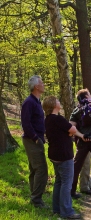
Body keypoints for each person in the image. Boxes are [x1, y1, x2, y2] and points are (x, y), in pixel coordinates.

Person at [42, 96, 88, 219]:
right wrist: (72, 132)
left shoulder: (48, 120)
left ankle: (56, 209)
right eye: (57, 101)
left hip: (54, 155)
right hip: (63, 156)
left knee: (58, 182)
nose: (59, 102)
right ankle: (67, 211)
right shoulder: (58, 119)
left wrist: (70, 132)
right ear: (53, 105)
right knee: (66, 184)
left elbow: (68, 131)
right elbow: (72, 129)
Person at [21, 75, 48, 208]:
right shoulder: (29, 102)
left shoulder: (37, 101)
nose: (44, 84)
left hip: (37, 139)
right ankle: (36, 200)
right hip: (32, 141)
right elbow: (25, 123)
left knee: (34, 169)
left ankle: (34, 197)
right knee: (41, 169)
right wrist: (36, 138)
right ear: (36, 86)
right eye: (42, 83)